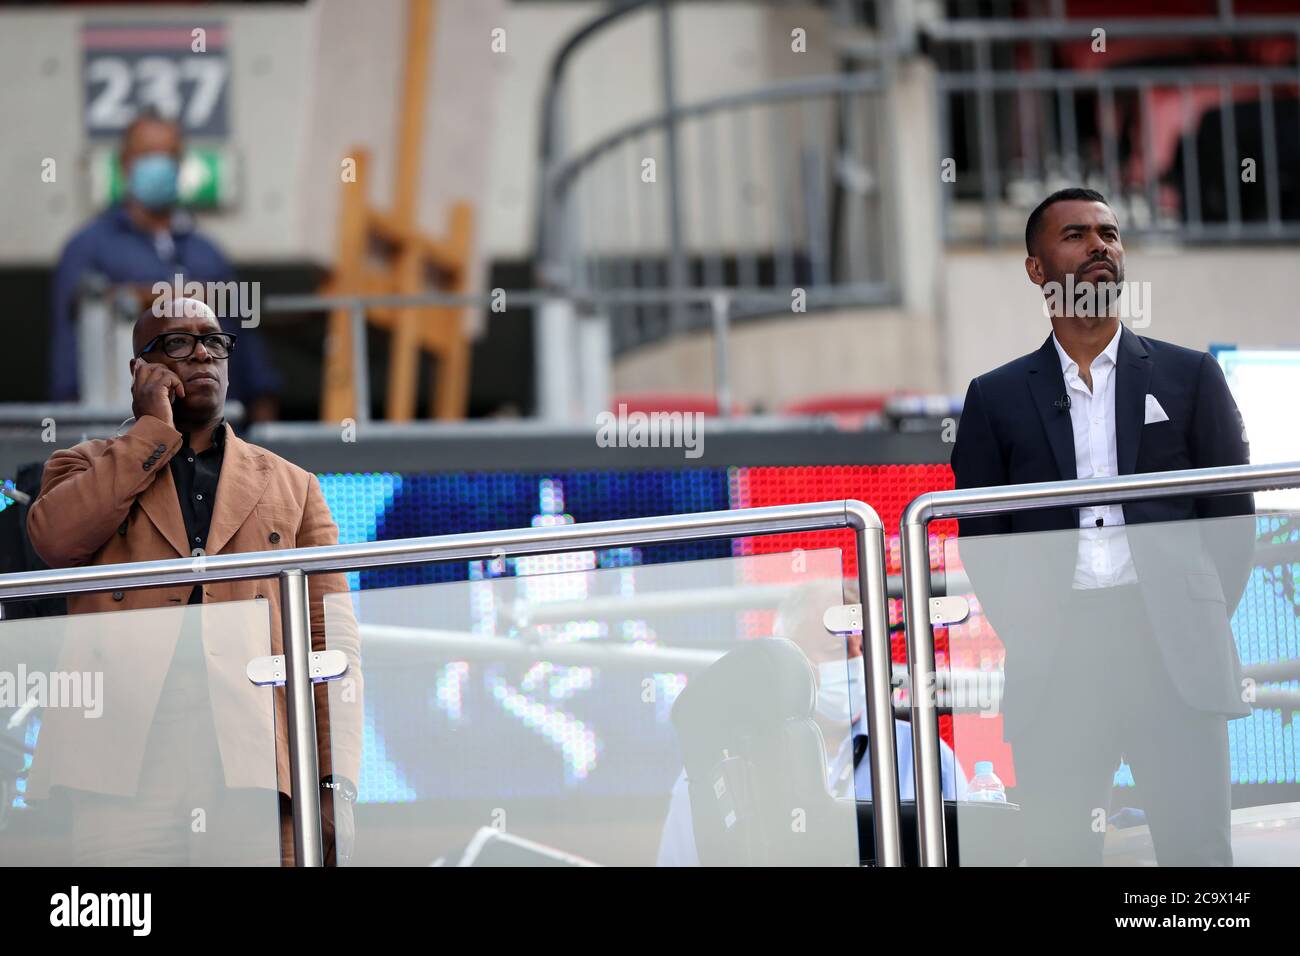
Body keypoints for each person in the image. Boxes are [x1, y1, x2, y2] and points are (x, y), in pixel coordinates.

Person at [949, 187, 1255, 865]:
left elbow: (1231, 523)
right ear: (1036, 269)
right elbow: (982, 539)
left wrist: (1189, 613)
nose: (1100, 247)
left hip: (1172, 652)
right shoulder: (994, 398)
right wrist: (1035, 625)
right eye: (1077, 235)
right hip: (1058, 658)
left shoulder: (1191, 376)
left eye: (1110, 234)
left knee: (1198, 856)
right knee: (1061, 852)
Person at [25, 298, 361, 866]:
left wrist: (335, 782)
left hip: (253, 759)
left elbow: (330, 641)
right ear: (141, 371)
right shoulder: (82, 465)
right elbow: (55, 540)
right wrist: (152, 430)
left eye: (214, 341)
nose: (203, 353)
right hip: (121, 766)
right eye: (178, 343)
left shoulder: (294, 485)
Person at [657, 584, 967, 866]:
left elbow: (974, 851)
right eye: (836, 651)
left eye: (862, 649)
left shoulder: (927, 759)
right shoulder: (715, 770)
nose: (855, 661)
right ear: (789, 665)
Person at [49, 109, 281, 420]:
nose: (159, 164)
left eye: (168, 155)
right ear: (125, 163)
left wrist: (264, 437)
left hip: (214, 436)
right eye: (147, 154)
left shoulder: (208, 253)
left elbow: (250, 353)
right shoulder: (89, 249)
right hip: (129, 433)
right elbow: (70, 357)